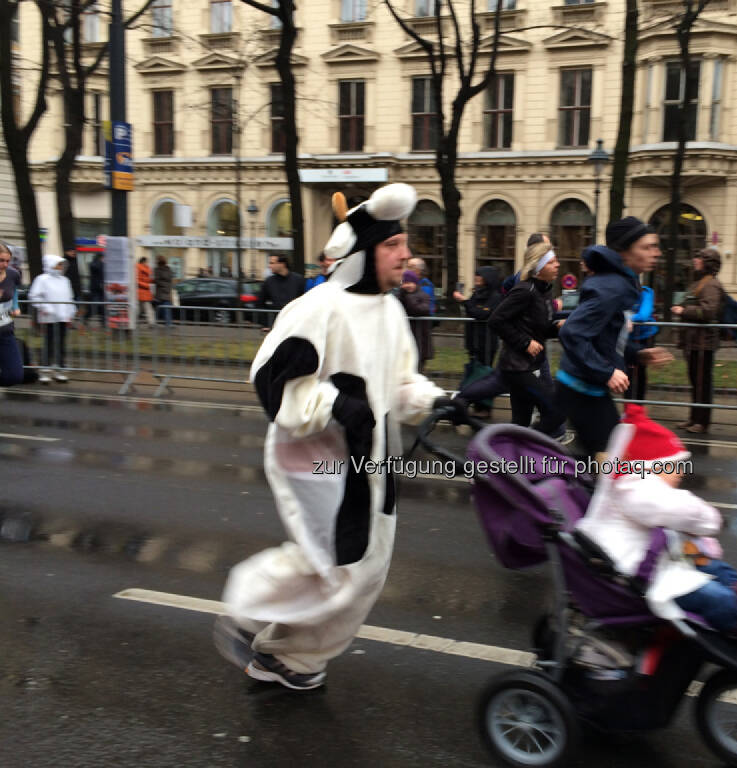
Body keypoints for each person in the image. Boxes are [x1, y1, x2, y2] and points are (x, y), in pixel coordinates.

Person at [214, 183, 466, 691]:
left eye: (404, 244)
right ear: (362, 252)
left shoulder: (390, 311)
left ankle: (293, 658)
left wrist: (436, 400)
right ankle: (246, 607)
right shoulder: (318, 308)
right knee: (327, 561)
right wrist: (334, 405)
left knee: (365, 569)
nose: (406, 255)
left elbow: (399, 381)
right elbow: (272, 379)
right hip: (317, 457)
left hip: (373, 459)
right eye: (393, 246)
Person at [576, 405, 737, 655]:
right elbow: (682, 510)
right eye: (674, 465)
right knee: (719, 599)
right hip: (636, 577)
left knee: (716, 568)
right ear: (652, 465)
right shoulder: (633, 487)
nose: (680, 473)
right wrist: (713, 520)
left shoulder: (632, 485)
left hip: (646, 562)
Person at [556, 216, 673, 456]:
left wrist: (637, 354)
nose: (656, 253)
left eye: (655, 246)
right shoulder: (611, 287)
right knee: (610, 464)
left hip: (588, 388)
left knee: (602, 464)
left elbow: (606, 336)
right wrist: (606, 371)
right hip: (580, 390)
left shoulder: (622, 282)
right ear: (625, 253)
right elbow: (572, 332)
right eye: (646, 247)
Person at [480, 241, 566, 439]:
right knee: (555, 412)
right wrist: (525, 342)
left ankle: (510, 461)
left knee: (520, 422)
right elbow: (495, 320)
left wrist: (557, 327)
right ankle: (520, 448)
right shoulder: (524, 290)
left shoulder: (544, 292)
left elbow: (539, 329)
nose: (558, 265)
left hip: (529, 365)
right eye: (552, 262)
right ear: (538, 267)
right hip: (518, 367)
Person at [671, 247, 724, 434]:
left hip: (703, 343)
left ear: (708, 263)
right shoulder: (700, 282)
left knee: (702, 384)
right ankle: (694, 418)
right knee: (696, 382)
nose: (695, 260)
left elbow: (708, 311)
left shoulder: (711, 285)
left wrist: (683, 311)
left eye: (699, 258)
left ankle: (702, 422)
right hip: (694, 341)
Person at [453, 266, 503, 417]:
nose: (476, 278)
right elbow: (473, 310)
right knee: (476, 372)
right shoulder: (477, 294)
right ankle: (476, 404)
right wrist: (467, 302)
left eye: (479, 276)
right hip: (474, 340)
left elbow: (481, 314)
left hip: (487, 341)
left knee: (484, 374)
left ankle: (485, 408)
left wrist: (464, 301)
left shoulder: (495, 296)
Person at [29, 254, 76, 384]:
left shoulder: (65, 280)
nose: (61, 267)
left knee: (61, 344)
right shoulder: (42, 279)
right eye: (58, 264)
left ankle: (59, 370)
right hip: (48, 318)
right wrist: (46, 308)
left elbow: (69, 298)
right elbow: (34, 296)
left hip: (63, 317)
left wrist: (71, 311)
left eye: (62, 264)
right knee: (48, 344)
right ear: (51, 265)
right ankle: (44, 371)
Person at [626, 282, 658, 401]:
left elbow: (643, 315)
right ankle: (629, 407)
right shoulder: (621, 293)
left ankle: (639, 405)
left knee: (640, 369)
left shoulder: (646, 292)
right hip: (629, 336)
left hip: (646, 336)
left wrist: (628, 318)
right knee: (629, 371)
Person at [397, 268, 434, 373]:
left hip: (420, 338)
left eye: (409, 283)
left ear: (415, 283)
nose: (407, 286)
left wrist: (409, 296)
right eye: (405, 282)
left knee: (417, 371)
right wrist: (402, 294)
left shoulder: (423, 295)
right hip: (405, 337)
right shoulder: (400, 295)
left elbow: (420, 310)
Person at [257, 253, 306, 330]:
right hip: (276, 325)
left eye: (272, 263)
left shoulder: (299, 280)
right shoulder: (269, 282)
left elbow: (305, 301)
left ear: (282, 264)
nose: (269, 266)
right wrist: (266, 323)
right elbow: (260, 303)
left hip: (295, 324)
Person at [0, 242, 25, 386]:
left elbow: (14, 291)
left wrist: (16, 306)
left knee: (15, 376)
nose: (5, 264)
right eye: (1, 260)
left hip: (5, 330)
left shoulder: (13, 274)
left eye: (7, 261)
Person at [154, 256, 174, 327]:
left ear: (158, 262)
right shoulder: (169, 270)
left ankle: (155, 323)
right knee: (166, 309)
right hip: (167, 292)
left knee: (158, 309)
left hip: (160, 293)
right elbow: (171, 280)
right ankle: (168, 323)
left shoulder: (157, 270)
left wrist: (162, 285)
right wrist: (167, 288)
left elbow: (156, 280)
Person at [136, 256, 156, 328]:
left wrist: (152, 281)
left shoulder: (147, 269)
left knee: (144, 309)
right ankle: (151, 323)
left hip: (145, 292)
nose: (147, 263)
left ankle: (151, 323)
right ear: (143, 262)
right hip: (141, 291)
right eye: (146, 262)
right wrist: (147, 285)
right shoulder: (138, 268)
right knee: (143, 309)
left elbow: (148, 279)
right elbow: (137, 280)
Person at [87, 252, 105, 326]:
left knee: (102, 304)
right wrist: (101, 262)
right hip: (96, 288)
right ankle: (87, 317)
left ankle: (103, 321)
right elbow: (95, 268)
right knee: (95, 304)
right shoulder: (95, 264)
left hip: (100, 287)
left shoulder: (99, 264)